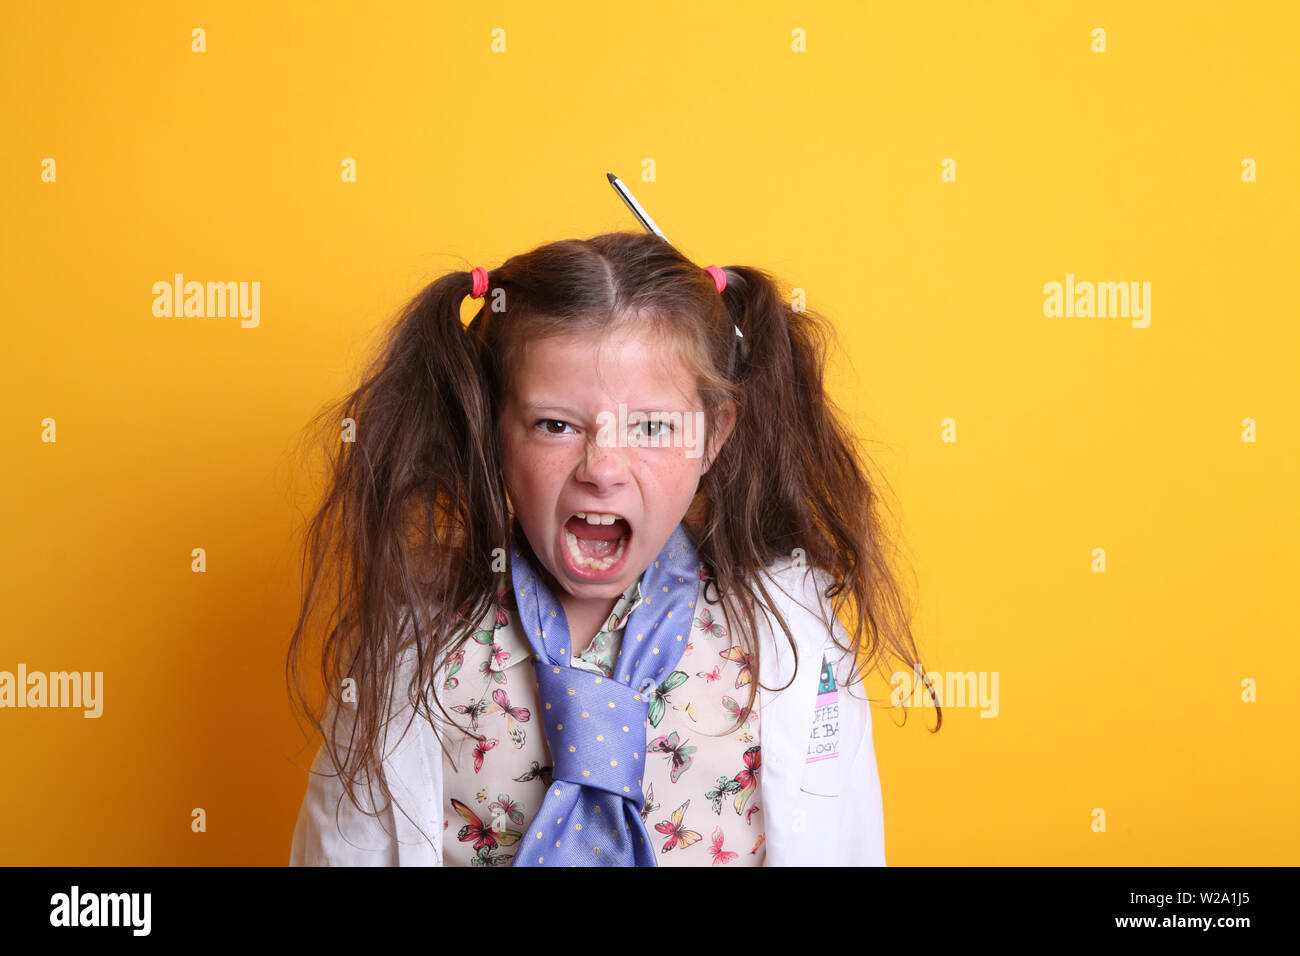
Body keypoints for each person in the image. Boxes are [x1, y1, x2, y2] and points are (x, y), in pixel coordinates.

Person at [285, 230, 939, 866]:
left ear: (712, 436)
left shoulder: (788, 633)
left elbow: (845, 837)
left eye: (653, 425)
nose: (602, 467)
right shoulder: (414, 640)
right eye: (555, 425)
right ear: (494, 433)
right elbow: (342, 847)